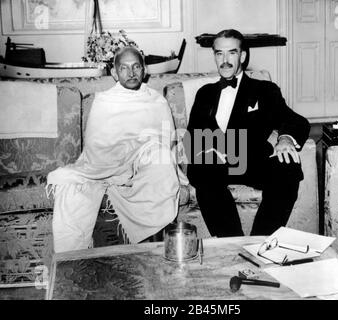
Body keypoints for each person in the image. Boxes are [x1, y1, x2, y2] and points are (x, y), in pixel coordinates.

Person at [46, 46, 180, 253]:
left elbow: (167, 141)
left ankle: (153, 251)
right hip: (107, 163)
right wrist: (123, 158)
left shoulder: (157, 100)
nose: (131, 72)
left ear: (144, 70)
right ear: (114, 73)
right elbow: (95, 146)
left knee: (160, 157)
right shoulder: (104, 101)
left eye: (136, 66)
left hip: (144, 163)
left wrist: (140, 152)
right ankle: (73, 261)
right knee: (70, 183)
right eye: (124, 68)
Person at [185, 29, 310, 237]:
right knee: (202, 168)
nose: (224, 60)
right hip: (214, 164)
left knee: (288, 165)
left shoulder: (265, 90)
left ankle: (261, 241)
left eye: (231, 53)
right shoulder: (205, 93)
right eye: (219, 53)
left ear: (242, 56)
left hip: (252, 161)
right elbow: (192, 135)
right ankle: (232, 242)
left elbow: (295, 120)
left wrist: (285, 138)